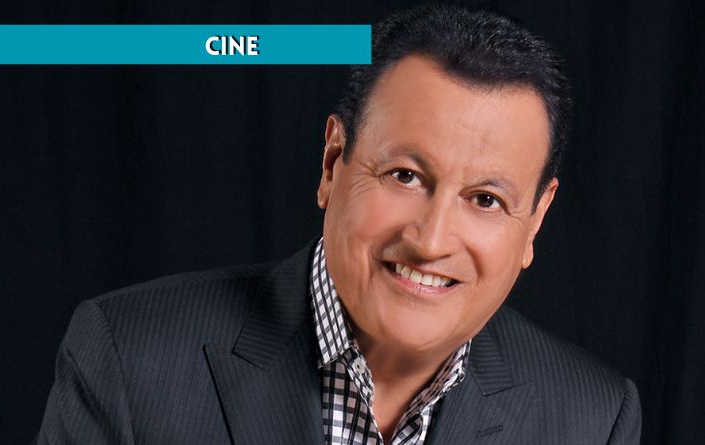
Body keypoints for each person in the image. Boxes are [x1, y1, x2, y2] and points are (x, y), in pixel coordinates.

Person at [36, 5, 641, 444]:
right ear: (332, 163)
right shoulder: (129, 359)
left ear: (535, 220)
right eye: (405, 176)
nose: (431, 241)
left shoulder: (592, 421)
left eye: (485, 199)